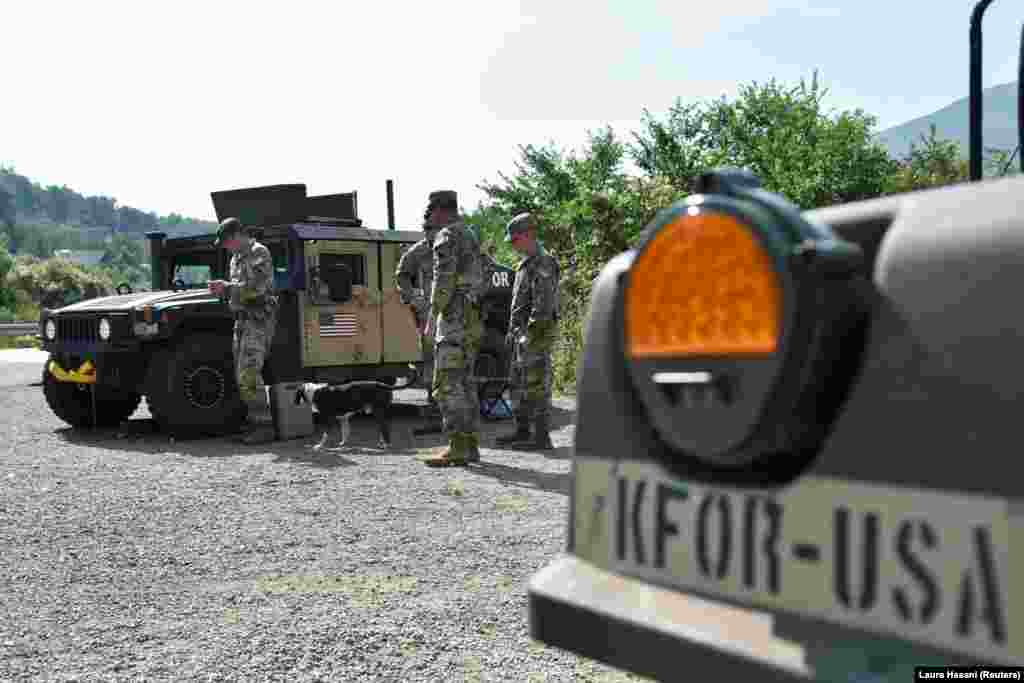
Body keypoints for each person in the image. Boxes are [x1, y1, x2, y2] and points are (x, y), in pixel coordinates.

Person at [420, 190, 485, 467]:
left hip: (454, 320)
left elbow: (443, 280)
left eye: (431, 211)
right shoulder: (469, 234)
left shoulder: (447, 236)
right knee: (465, 383)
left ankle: (458, 447)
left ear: (439, 210)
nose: (430, 217)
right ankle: (469, 445)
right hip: (470, 318)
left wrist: (432, 316)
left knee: (448, 384)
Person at [208, 217, 279, 445]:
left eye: (227, 242)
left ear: (238, 235)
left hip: (258, 320)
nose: (226, 246)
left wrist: (227, 288)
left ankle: (264, 426)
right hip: (241, 321)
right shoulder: (236, 258)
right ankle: (253, 422)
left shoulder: (259, 253)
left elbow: (259, 289)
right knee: (242, 375)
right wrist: (225, 291)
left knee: (249, 372)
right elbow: (240, 291)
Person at [495, 212, 559, 450]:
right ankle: (522, 431)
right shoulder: (525, 263)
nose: (512, 245)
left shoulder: (544, 262)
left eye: (514, 240)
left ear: (528, 235)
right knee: (517, 384)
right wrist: (514, 333)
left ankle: (541, 437)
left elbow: (542, 305)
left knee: (536, 385)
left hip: (535, 334)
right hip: (521, 334)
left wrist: (528, 335)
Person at [395, 210, 442, 435]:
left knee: (455, 368)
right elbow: (402, 274)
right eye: (426, 229)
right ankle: (435, 418)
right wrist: (413, 297)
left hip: (454, 315)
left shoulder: (455, 246)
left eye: (432, 228)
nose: (428, 233)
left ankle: (460, 420)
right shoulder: (420, 251)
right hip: (429, 318)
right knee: (430, 369)